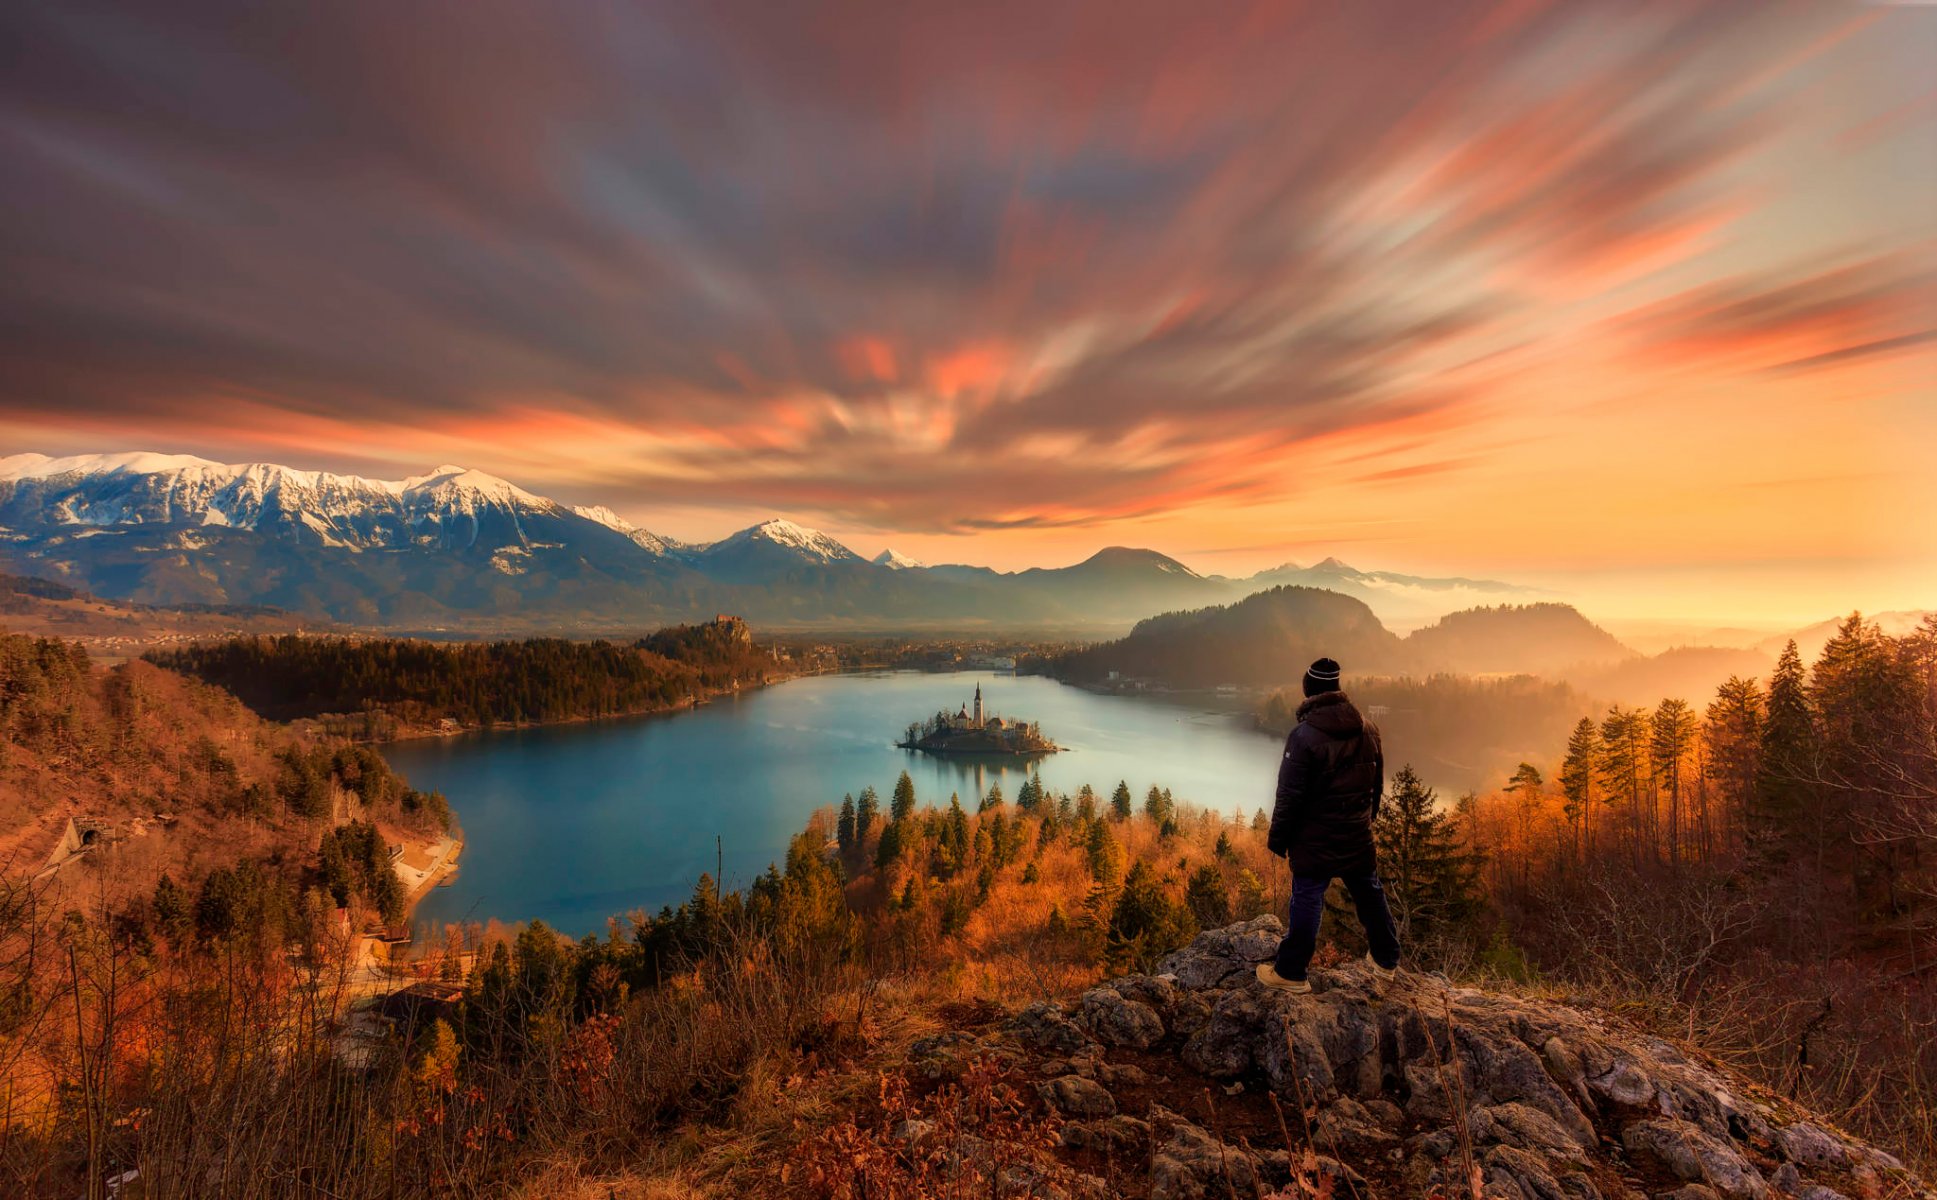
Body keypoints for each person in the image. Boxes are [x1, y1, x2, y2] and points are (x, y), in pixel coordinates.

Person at [1256, 657, 1402, 994]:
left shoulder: (1303, 737)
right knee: (1369, 892)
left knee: (1307, 897)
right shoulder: (1368, 728)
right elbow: (1376, 785)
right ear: (1337, 690)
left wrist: (1278, 838)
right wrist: (1368, 819)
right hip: (1356, 831)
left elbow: (1289, 795)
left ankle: (1291, 972)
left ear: (1310, 690)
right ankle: (1386, 959)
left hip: (1315, 837)